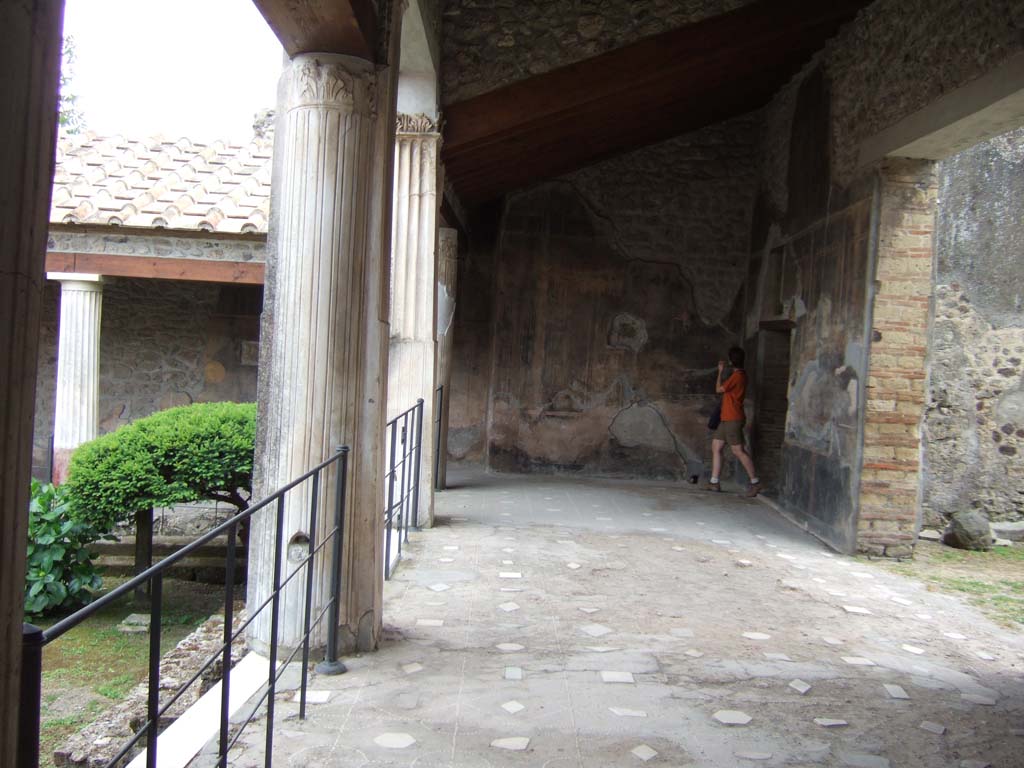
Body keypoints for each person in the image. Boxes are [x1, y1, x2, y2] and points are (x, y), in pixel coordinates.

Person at [704, 346, 761, 497]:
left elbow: (719, 389)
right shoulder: (739, 375)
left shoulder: (738, 376)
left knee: (738, 451)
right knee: (716, 446)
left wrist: (720, 371)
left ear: (731, 360)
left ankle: (755, 483)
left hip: (733, 418)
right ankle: (714, 482)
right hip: (726, 418)